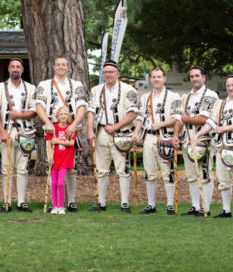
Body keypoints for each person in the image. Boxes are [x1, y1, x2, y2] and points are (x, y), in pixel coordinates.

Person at [192, 73, 233, 219]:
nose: (230, 87)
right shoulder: (220, 104)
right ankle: (226, 209)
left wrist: (225, 129)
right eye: (228, 85)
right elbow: (211, 123)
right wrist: (198, 135)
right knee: (223, 180)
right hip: (222, 147)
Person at [34, 55, 89, 212]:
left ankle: (70, 201)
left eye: (63, 64)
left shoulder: (76, 84)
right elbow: (39, 105)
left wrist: (74, 125)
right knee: (52, 164)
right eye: (58, 64)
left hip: (70, 129)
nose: (61, 67)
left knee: (70, 167)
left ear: (68, 67)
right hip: (53, 129)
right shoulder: (44, 85)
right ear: (53, 67)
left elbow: (82, 106)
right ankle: (55, 202)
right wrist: (48, 123)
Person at [86, 60, 138, 212]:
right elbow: (91, 111)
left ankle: (124, 203)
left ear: (117, 73)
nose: (108, 74)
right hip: (101, 131)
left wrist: (115, 127)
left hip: (122, 133)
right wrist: (90, 130)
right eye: (105, 72)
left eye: (111, 72)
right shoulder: (96, 90)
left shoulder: (129, 89)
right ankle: (100, 202)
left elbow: (132, 114)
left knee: (122, 168)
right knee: (101, 169)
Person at [133, 67, 182, 215]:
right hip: (149, 137)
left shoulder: (174, 97)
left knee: (168, 172)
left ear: (164, 78)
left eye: (159, 77)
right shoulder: (145, 97)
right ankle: (151, 205)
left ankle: (170, 205)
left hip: (165, 137)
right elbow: (140, 117)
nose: (156, 79)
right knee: (150, 172)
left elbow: (177, 118)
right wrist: (136, 132)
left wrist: (160, 124)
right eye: (153, 77)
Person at [0, 58, 37, 212]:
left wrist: (18, 115)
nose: (15, 69)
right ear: (9, 70)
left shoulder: (31, 88)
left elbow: (34, 112)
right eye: (12, 66)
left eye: (18, 66)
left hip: (26, 132)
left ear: (22, 70)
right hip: (6, 132)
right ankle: (7, 201)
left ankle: (21, 202)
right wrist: (2, 132)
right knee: (6, 168)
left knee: (23, 168)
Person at [172, 66, 218, 217]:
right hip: (187, 140)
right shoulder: (186, 97)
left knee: (205, 175)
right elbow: (179, 119)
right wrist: (175, 135)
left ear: (204, 77)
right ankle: (195, 206)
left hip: (203, 141)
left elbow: (203, 119)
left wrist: (185, 118)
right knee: (191, 176)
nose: (194, 79)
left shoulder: (210, 95)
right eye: (192, 76)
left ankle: (206, 207)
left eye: (197, 76)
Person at [46, 107, 76, 215]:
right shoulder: (53, 128)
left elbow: (71, 143)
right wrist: (50, 157)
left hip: (64, 160)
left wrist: (58, 141)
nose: (63, 116)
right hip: (55, 159)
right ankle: (55, 206)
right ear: (57, 116)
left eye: (65, 114)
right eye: (61, 114)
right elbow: (49, 144)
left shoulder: (70, 129)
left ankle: (61, 206)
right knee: (53, 183)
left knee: (60, 183)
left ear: (68, 117)